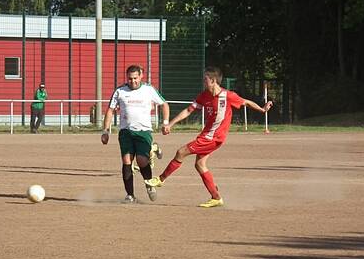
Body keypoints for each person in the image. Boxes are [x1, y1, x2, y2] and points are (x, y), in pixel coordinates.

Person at [145, 66, 273, 208]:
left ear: (212, 80)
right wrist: (170, 124)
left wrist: (262, 109)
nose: (203, 81)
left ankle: (161, 179)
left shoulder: (228, 95)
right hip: (207, 135)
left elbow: (246, 102)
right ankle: (216, 197)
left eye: (205, 79)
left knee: (181, 152)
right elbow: (189, 110)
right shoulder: (204, 95)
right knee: (200, 165)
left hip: (214, 137)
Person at [101, 65, 170, 203]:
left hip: (143, 132)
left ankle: (149, 185)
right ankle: (130, 195)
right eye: (130, 78)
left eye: (135, 78)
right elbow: (110, 110)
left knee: (142, 161)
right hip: (126, 132)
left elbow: (164, 104)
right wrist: (106, 131)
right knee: (127, 161)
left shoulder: (149, 90)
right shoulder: (120, 91)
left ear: (141, 76)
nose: (133, 81)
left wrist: (166, 122)